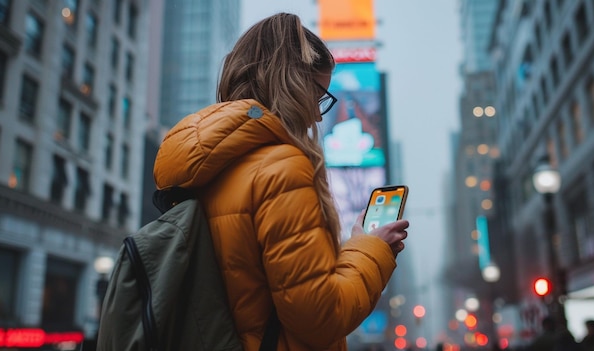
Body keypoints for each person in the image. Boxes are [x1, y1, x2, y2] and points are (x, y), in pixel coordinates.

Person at [152, 12, 409, 351]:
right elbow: (321, 316)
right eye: (319, 96)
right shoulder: (282, 168)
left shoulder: (210, 165)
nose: (318, 114)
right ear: (290, 82)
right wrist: (370, 248)